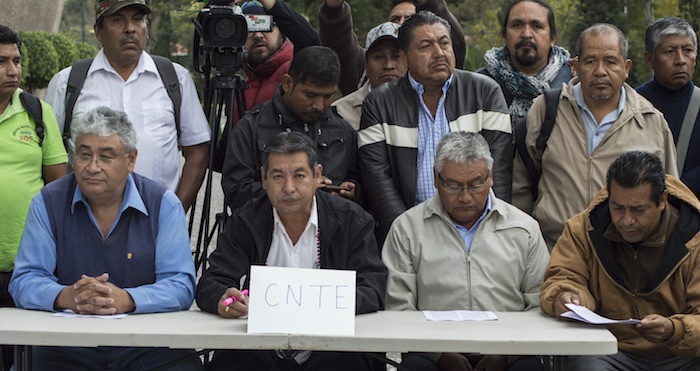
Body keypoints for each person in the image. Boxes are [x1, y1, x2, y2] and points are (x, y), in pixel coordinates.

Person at [9, 106, 202, 370]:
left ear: (131, 159)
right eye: (84, 155)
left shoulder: (163, 203)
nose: (92, 167)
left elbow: (181, 284)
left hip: (149, 344)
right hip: (65, 346)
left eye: (106, 157)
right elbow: (24, 279)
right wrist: (67, 296)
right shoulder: (47, 201)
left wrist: (126, 299)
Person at [197, 131, 387, 371]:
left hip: (331, 347)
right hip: (260, 348)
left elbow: (373, 288)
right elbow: (211, 282)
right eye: (277, 176)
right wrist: (223, 298)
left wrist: (317, 305)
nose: (289, 188)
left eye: (299, 175)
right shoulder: (246, 221)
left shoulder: (353, 221)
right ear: (264, 178)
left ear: (317, 176)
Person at [382, 131, 549, 371]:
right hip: (431, 352)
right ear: (436, 179)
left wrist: (507, 353)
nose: (465, 197)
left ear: (490, 178)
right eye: (453, 185)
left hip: (509, 350)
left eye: (475, 184)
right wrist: (439, 354)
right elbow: (399, 308)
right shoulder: (407, 228)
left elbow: (539, 304)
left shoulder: (523, 229)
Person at [512, 23, 678, 249]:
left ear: (626, 67)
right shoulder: (547, 110)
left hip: (626, 261)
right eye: (590, 61)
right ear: (576, 67)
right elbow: (520, 186)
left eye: (610, 61)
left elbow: (672, 197)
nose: (600, 71)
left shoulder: (650, 121)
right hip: (554, 251)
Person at [359, 11, 512, 243]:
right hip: (409, 234)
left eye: (444, 43)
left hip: (479, 233)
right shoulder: (379, 102)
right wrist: (407, 236)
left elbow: (498, 172)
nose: (439, 53)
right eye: (426, 46)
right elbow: (378, 180)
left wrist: (486, 234)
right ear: (404, 57)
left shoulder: (484, 92)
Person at [540, 151, 700, 370]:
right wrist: (566, 295)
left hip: (681, 353)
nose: (626, 221)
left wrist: (675, 329)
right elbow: (562, 276)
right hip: (610, 350)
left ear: (662, 201)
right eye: (617, 208)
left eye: (638, 209)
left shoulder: (695, 238)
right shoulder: (583, 229)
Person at [45, 0, 210, 212]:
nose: (130, 28)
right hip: (85, 220)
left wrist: (175, 212)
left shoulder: (175, 78)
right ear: (98, 31)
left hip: (156, 219)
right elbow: (50, 156)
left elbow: (197, 150)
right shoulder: (67, 83)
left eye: (138, 19)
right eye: (117, 20)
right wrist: (65, 213)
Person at [0, 24, 68, 371]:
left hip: (24, 271)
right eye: (1, 62)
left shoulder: (39, 115)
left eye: (17, 60)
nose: (13, 71)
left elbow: (59, 193)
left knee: (22, 359)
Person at [222, 46, 361, 211]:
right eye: (310, 95)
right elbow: (236, 192)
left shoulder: (343, 130)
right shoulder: (251, 127)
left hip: (330, 230)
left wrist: (351, 190)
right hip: (267, 231)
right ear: (287, 83)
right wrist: (298, 189)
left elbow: (360, 183)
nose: (319, 105)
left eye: (327, 96)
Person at [318, 0, 465, 95]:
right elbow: (340, 44)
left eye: (410, 20)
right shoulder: (363, 69)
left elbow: (453, 43)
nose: (401, 24)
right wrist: (334, 7)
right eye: (395, 19)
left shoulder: (436, 77)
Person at [477, 0, 572, 124]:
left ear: (552, 37)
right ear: (504, 35)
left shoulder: (573, 81)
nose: (526, 34)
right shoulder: (480, 85)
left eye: (537, 26)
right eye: (517, 25)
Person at [637, 16, 700, 197]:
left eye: (688, 50)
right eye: (670, 51)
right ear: (650, 59)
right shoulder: (632, 104)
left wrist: (677, 190)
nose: (680, 60)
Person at [332, 21, 407, 130]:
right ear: (366, 64)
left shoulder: (426, 106)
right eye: (379, 57)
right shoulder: (340, 112)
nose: (388, 65)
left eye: (396, 56)